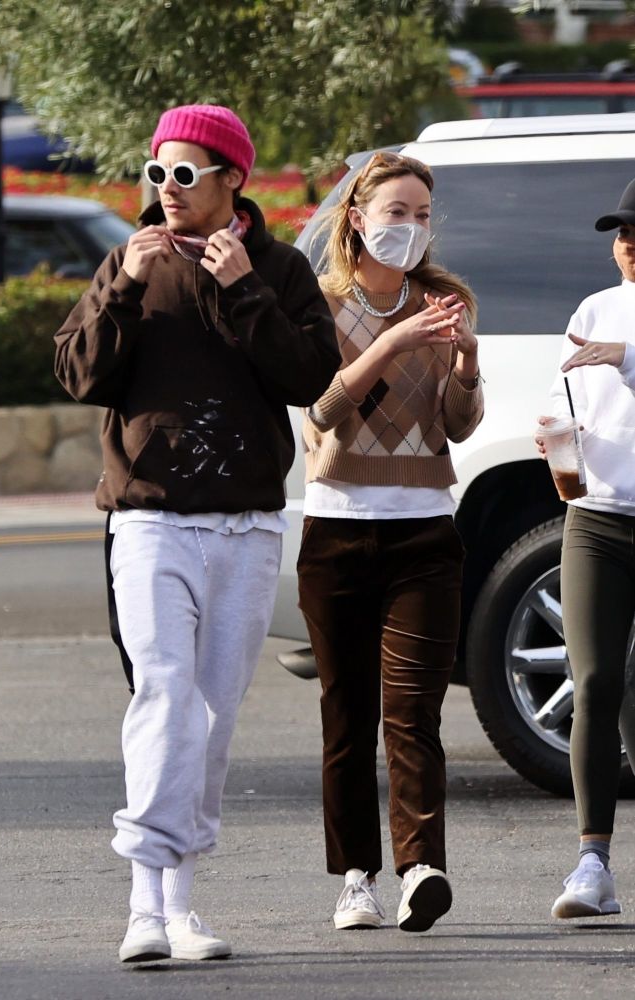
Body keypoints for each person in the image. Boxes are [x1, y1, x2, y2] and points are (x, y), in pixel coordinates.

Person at [54, 104, 340, 963]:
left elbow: (309, 377)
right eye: (156, 173)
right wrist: (122, 288)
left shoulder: (279, 270)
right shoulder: (128, 261)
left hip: (247, 526)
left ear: (231, 180)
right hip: (149, 520)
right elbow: (78, 374)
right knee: (165, 694)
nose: (166, 189)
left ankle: (181, 905)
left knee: (212, 715)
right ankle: (143, 906)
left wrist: (245, 288)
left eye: (184, 174)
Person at [296, 151, 483, 932]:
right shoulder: (319, 304)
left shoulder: (444, 302)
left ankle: (420, 868)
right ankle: (355, 879)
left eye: (422, 215)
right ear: (357, 218)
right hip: (336, 531)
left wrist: (465, 359)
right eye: (396, 212)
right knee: (346, 715)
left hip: (423, 532)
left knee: (413, 714)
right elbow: (321, 412)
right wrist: (389, 344)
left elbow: (458, 425)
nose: (410, 227)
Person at [536, 177, 635, 920]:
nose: (629, 245)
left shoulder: (614, 331)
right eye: (623, 233)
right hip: (595, 521)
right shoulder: (593, 309)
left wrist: (625, 355)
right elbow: (564, 395)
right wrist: (554, 436)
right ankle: (591, 863)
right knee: (595, 680)